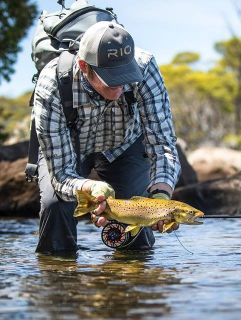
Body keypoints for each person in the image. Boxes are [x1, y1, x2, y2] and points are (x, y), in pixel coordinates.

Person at [33, 21, 181, 254]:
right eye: (112, 79)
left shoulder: (145, 67)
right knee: (56, 207)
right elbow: (61, 174)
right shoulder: (51, 84)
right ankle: (57, 281)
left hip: (124, 146)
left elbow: (163, 145)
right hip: (69, 150)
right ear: (84, 66)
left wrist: (160, 197)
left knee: (138, 235)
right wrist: (90, 187)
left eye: (126, 75)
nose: (121, 86)